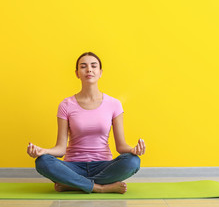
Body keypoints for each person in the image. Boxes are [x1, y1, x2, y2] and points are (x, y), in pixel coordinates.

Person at [27, 52, 146, 194]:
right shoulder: (66, 105)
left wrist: (133, 150)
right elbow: (60, 149)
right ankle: (99, 187)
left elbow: (121, 146)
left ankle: (73, 184)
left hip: (103, 166)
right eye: (83, 66)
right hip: (73, 166)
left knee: (133, 161)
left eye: (93, 66)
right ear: (77, 73)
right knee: (43, 162)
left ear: (100, 72)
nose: (89, 69)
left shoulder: (114, 104)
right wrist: (43, 151)